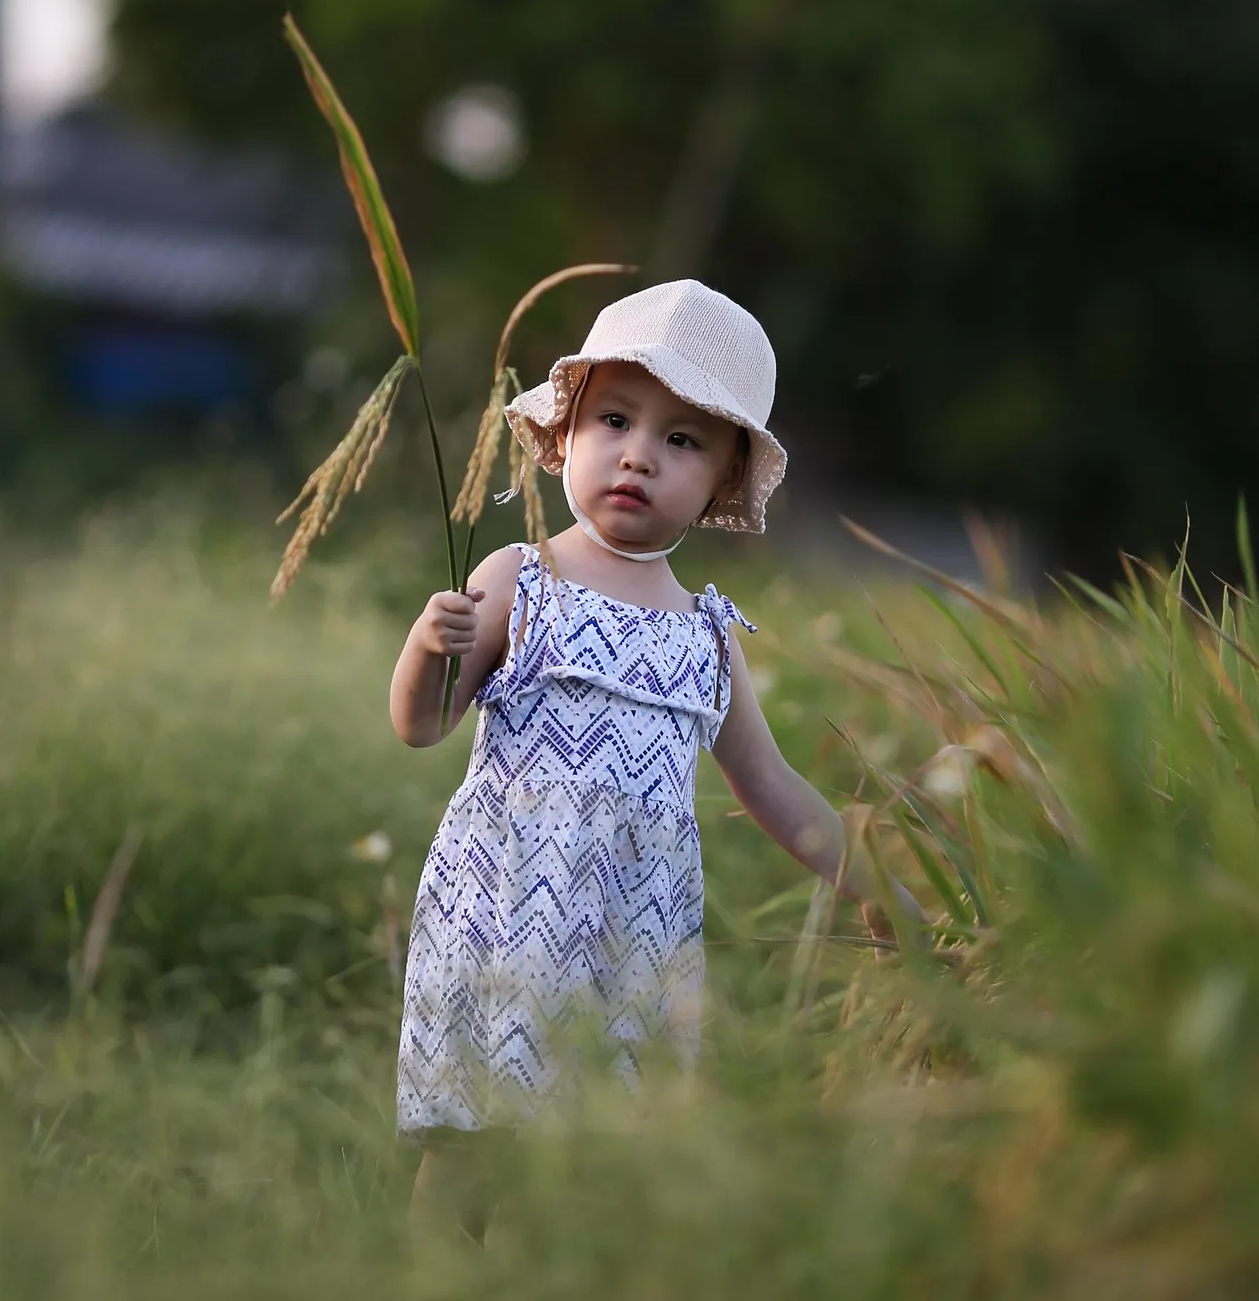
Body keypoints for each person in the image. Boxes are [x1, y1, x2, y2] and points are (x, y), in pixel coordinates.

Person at [389, 279, 926, 1237]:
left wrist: (873, 880)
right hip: (508, 904)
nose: (639, 454)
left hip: (632, 932)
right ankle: (429, 1300)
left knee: (593, 1150)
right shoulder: (522, 579)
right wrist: (431, 648)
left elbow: (774, 789)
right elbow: (423, 726)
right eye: (615, 420)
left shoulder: (706, 636)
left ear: (723, 481)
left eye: (682, 440)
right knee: (469, 1135)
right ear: (563, 436)